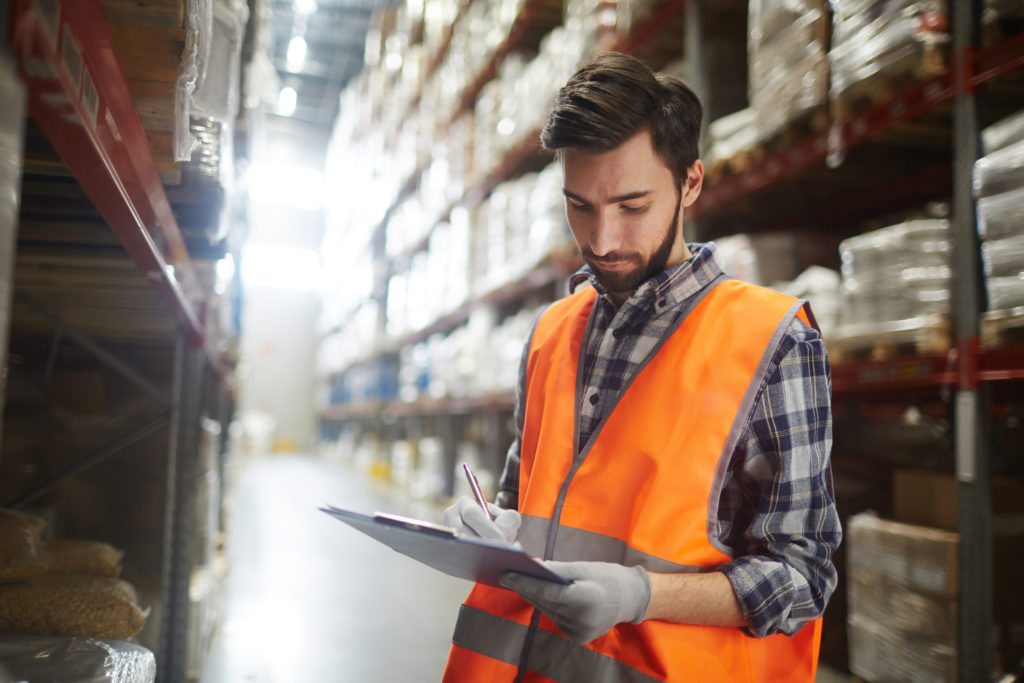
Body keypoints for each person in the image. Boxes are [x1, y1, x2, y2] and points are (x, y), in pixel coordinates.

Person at [441, 52, 841, 682]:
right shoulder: (551, 332)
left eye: (631, 206)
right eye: (580, 206)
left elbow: (801, 575)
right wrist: (491, 530)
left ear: (690, 184)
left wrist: (640, 595)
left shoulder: (772, 342)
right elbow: (526, 500)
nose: (601, 240)